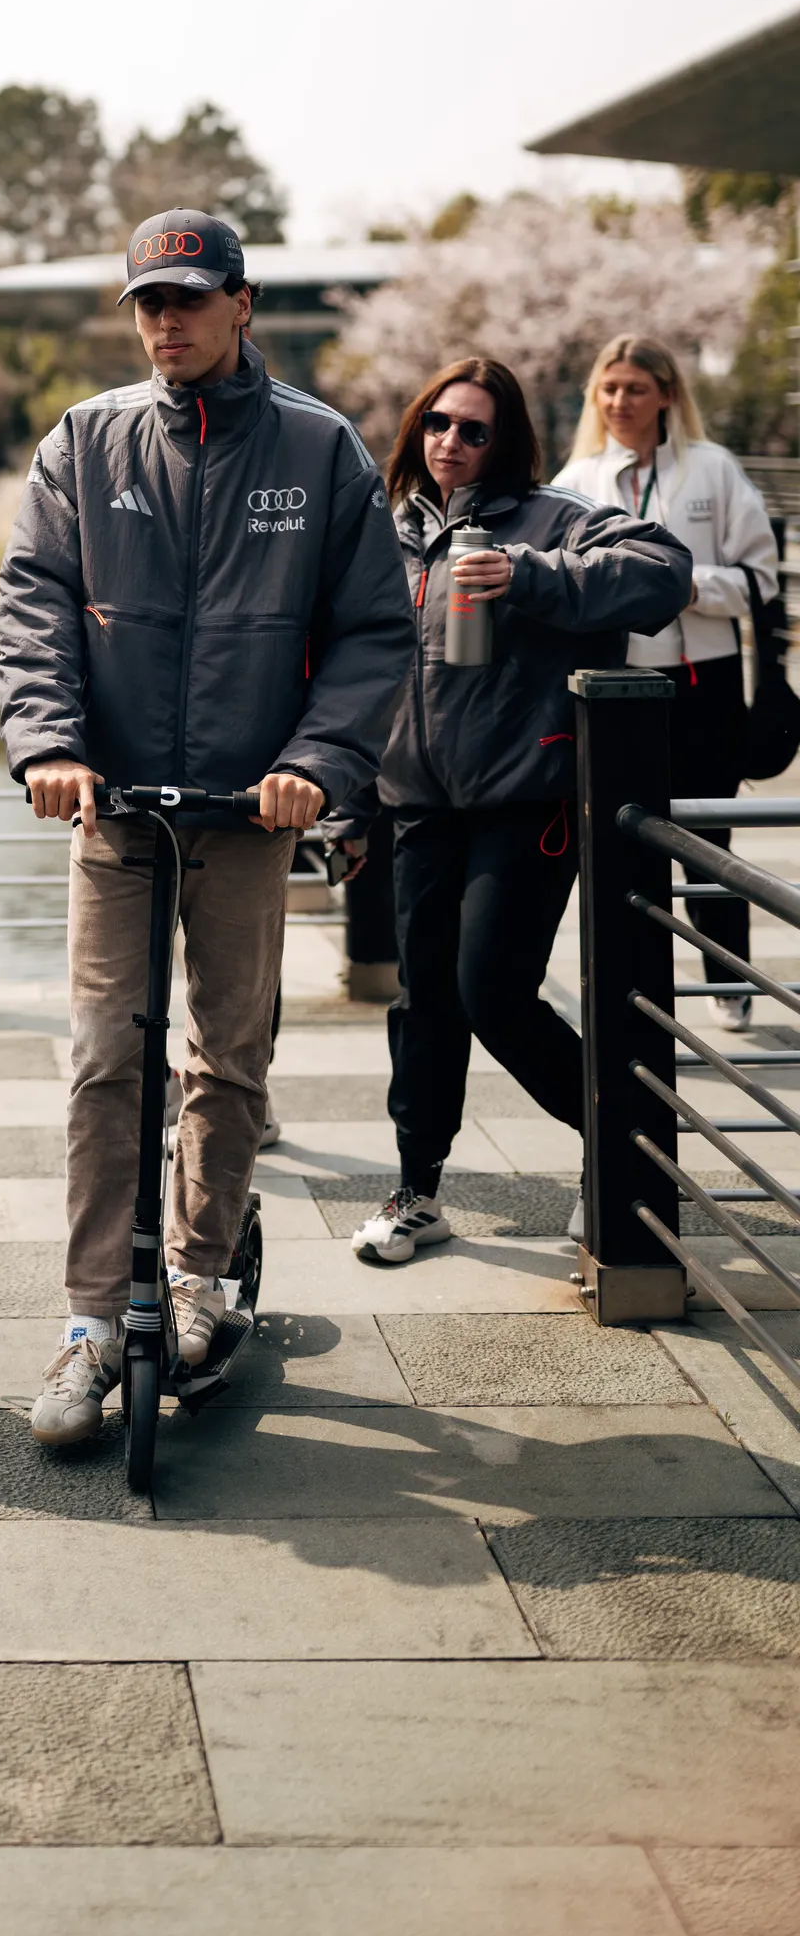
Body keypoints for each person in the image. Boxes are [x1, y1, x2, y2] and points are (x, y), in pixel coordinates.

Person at [0, 209, 416, 1446]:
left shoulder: (318, 449)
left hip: (247, 811)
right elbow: (36, 607)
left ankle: (199, 1274)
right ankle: (86, 1322)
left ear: (243, 304)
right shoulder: (85, 443)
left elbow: (372, 633)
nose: (166, 321)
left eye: (189, 298)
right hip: (116, 809)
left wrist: (316, 764)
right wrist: (52, 745)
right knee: (99, 1059)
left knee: (225, 1056)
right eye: (148, 303)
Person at [351, 356, 692, 1265]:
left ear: (507, 444)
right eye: (438, 423)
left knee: (490, 993)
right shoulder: (387, 533)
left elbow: (664, 571)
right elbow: (351, 670)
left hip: (524, 799)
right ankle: (417, 1189)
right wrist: (348, 804)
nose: (451, 442)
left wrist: (532, 574)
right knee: (422, 1000)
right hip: (416, 801)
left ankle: (619, 1150)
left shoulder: (553, 520)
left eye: (474, 429)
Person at [554, 334, 779, 1031]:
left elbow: (761, 579)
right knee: (624, 844)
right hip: (615, 689)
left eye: (637, 389)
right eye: (610, 388)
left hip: (702, 682)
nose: (621, 401)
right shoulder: (577, 480)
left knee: (711, 843)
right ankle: (636, 994)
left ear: (668, 396)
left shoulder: (712, 469)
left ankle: (729, 980)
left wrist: (683, 589)